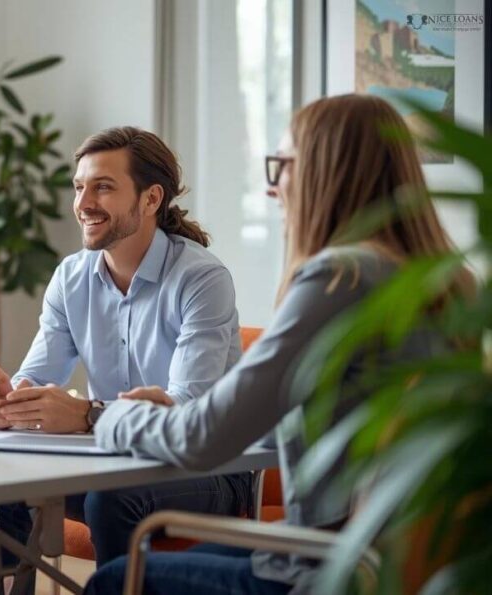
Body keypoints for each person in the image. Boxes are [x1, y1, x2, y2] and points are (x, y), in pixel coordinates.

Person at [85, 94, 475, 594]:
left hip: (332, 567)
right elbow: (303, 426)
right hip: (405, 565)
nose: (273, 190)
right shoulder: (445, 282)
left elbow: (206, 438)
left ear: (324, 172)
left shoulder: (340, 278)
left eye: (282, 165)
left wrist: (105, 416)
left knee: (117, 579)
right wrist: (179, 417)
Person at [0, 127, 254, 579]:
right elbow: (34, 376)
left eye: (103, 187)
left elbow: (187, 411)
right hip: (107, 465)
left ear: (151, 199)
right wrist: (9, 402)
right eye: (79, 186)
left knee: (112, 497)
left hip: (209, 468)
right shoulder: (71, 276)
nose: (84, 203)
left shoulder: (201, 278)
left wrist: (88, 416)